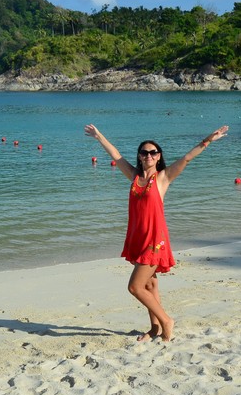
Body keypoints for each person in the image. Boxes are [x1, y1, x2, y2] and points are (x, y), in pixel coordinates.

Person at [84, 123, 229, 342]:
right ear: (140, 157)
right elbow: (115, 154)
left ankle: (166, 321)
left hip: (154, 240)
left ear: (158, 156)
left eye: (153, 152)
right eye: (144, 152)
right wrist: (98, 136)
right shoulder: (134, 176)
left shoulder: (163, 178)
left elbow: (187, 157)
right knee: (150, 285)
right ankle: (154, 328)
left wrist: (209, 139)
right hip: (138, 238)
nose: (149, 155)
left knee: (135, 287)